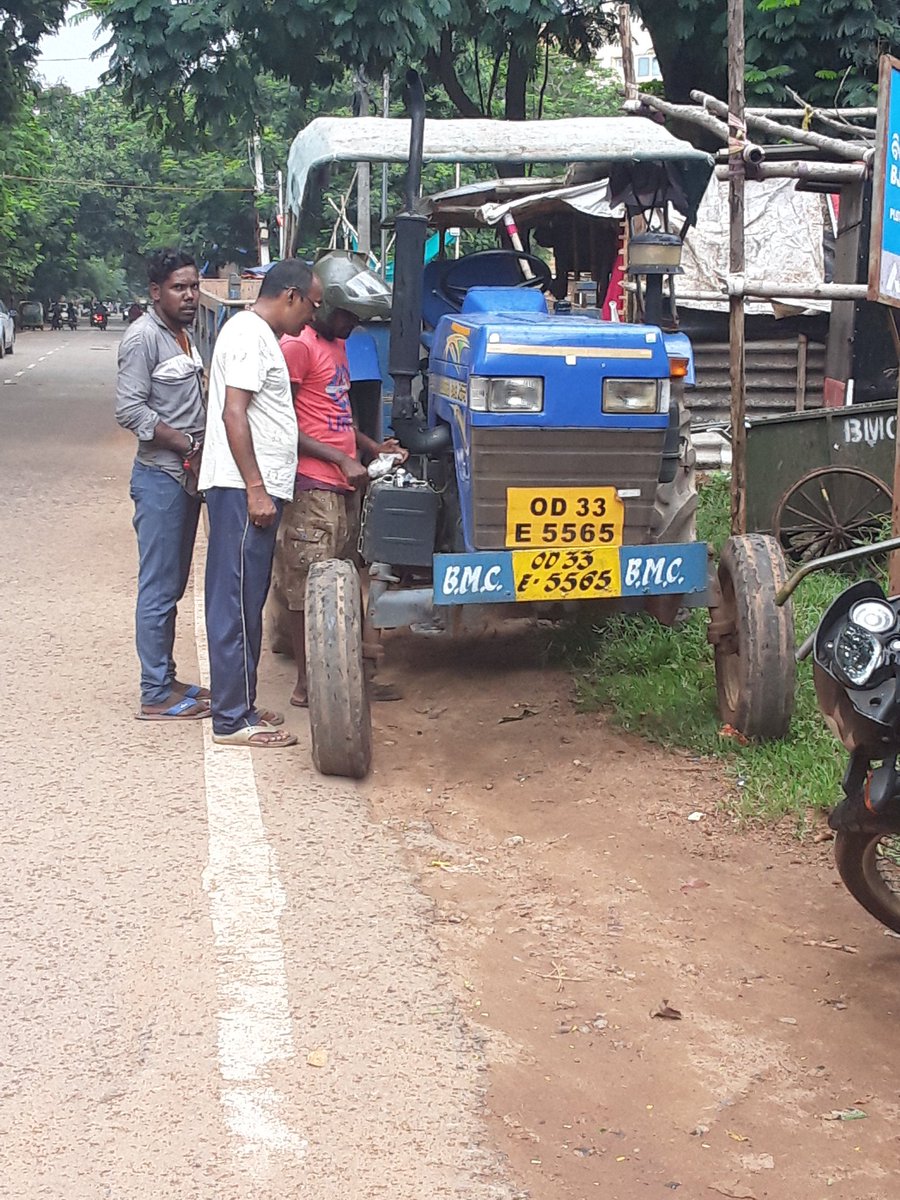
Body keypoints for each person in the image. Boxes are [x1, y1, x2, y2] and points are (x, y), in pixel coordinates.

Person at [200, 258, 323, 748]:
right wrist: (254, 487)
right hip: (240, 489)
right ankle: (232, 719)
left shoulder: (255, 334)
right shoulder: (250, 335)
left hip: (250, 487)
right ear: (290, 295)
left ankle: (241, 703)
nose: (311, 317)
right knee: (235, 600)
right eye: (311, 304)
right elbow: (235, 414)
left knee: (247, 598)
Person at [273, 251, 404, 709]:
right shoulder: (299, 346)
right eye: (345, 313)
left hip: (342, 484)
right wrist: (338, 459)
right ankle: (308, 682)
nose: (352, 322)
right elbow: (284, 421)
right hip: (311, 484)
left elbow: (335, 414)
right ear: (323, 305)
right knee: (305, 585)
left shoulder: (338, 346)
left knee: (345, 581)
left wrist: (370, 448)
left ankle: (350, 678)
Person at [116, 248, 208, 720]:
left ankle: (167, 678)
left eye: (193, 285)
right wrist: (185, 444)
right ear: (156, 292)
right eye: (179, 287)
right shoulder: (143, 339)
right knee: (158, 587)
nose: (190, 295)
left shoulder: (183, 336)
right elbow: (129, 409)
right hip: (161, 478)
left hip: (184, 481)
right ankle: (154, 692)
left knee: (171, 585)